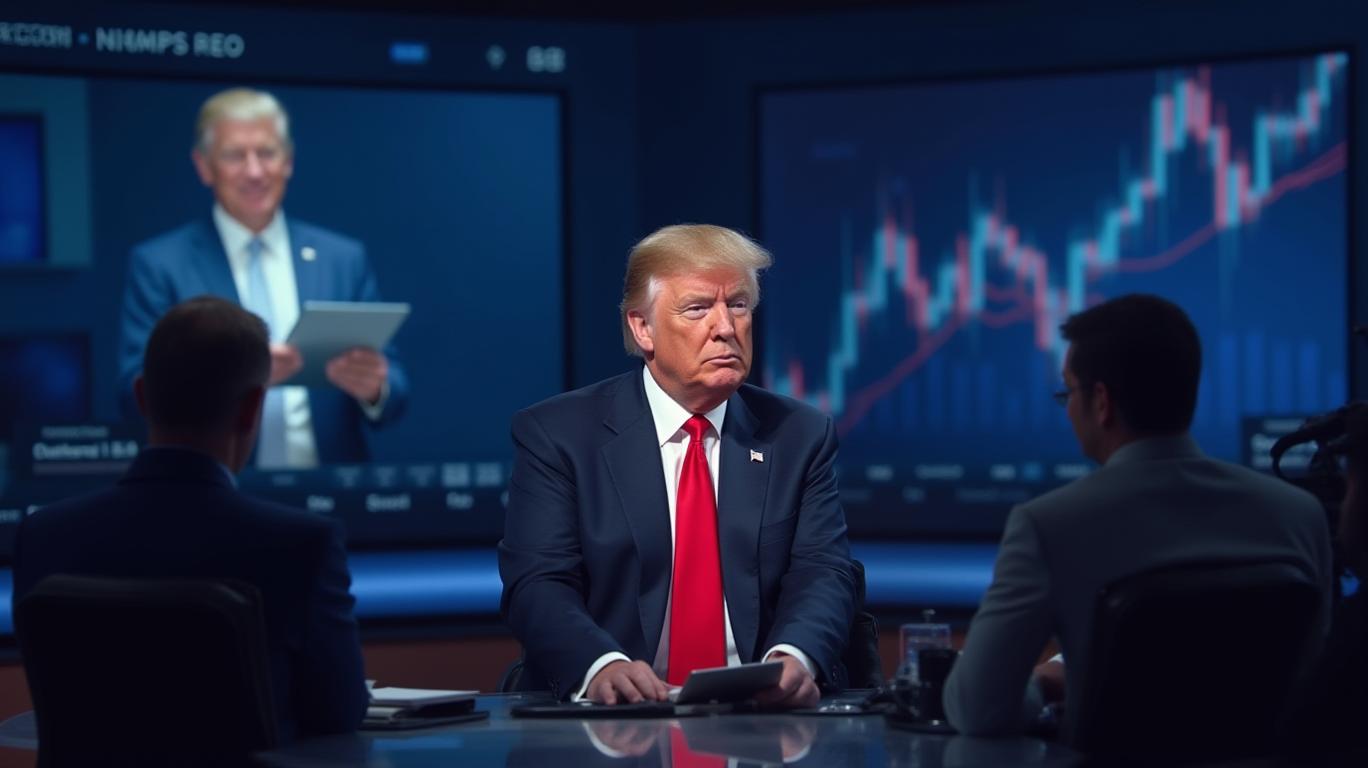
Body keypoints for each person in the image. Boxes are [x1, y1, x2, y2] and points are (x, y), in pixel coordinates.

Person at [943, 293, 1333, 739]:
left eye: (1068, 392)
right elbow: (1314, 691)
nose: (1067, 409)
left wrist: (1045, 686)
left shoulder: (1048, 526)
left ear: (1101, 401)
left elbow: (978, 709)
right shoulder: (1300, 516)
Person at [498, 224, 856, 707]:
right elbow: (538, 584)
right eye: (697, 309)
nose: (726, 327)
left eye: (738, 305)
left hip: (758, 711)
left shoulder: (799, 435)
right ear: (642, 328)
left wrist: (792, 657)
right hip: (610, 716)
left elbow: (823, 572)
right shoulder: (558, 435)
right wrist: (602, 666)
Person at [13, 296, 369, 740]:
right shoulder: (304, 546)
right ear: (252, 408)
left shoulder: (42, 537)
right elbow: (340, 716)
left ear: (142, 397)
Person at [118, 87, 407, 469]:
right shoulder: (161, 265)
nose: (254, 172)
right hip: (215, 487)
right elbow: (135, 394)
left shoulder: (342, 258)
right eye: (235, 155)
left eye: (267, 153)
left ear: (288, 161)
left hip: (331, 486)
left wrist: (375, 387)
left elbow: (395, 390)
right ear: (204, 166)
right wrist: (237, 374)